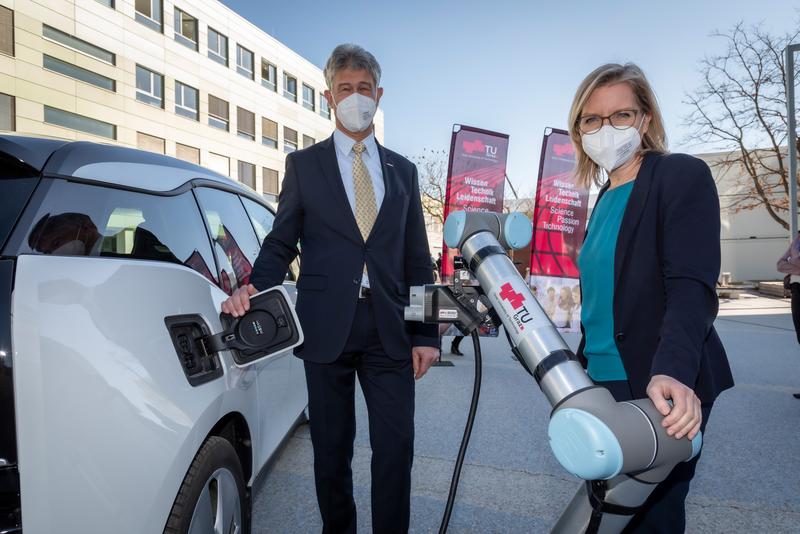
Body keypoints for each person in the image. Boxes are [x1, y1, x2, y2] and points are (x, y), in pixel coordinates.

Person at [221, 44, 439, 534]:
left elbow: (418, 260)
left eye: (364, 89)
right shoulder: (304, 165)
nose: (355, 97)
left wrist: (427, 333)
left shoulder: (402, 171)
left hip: (390, 329)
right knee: (330, 453)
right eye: (346, 89)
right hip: (324, 330)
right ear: (329, 97)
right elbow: (281, 241)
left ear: (378, 95)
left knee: (395, 450)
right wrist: (252, 288)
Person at [568, 63, 734, 533]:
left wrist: (675, 371)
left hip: (660, 380)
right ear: (578, 130)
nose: (606, 129)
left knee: (651, 518)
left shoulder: (679, 175)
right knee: (608, 514)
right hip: (602, 380)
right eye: (591, 119)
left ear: (646, 120)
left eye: (621, 115)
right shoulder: (602, 199)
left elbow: (690, 285)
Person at [776, 232, 800, 399]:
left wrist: (792, 262)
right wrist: (795, 262)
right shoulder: (798, 238)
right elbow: (780, 265)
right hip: (797, 291)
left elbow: (793, 261)